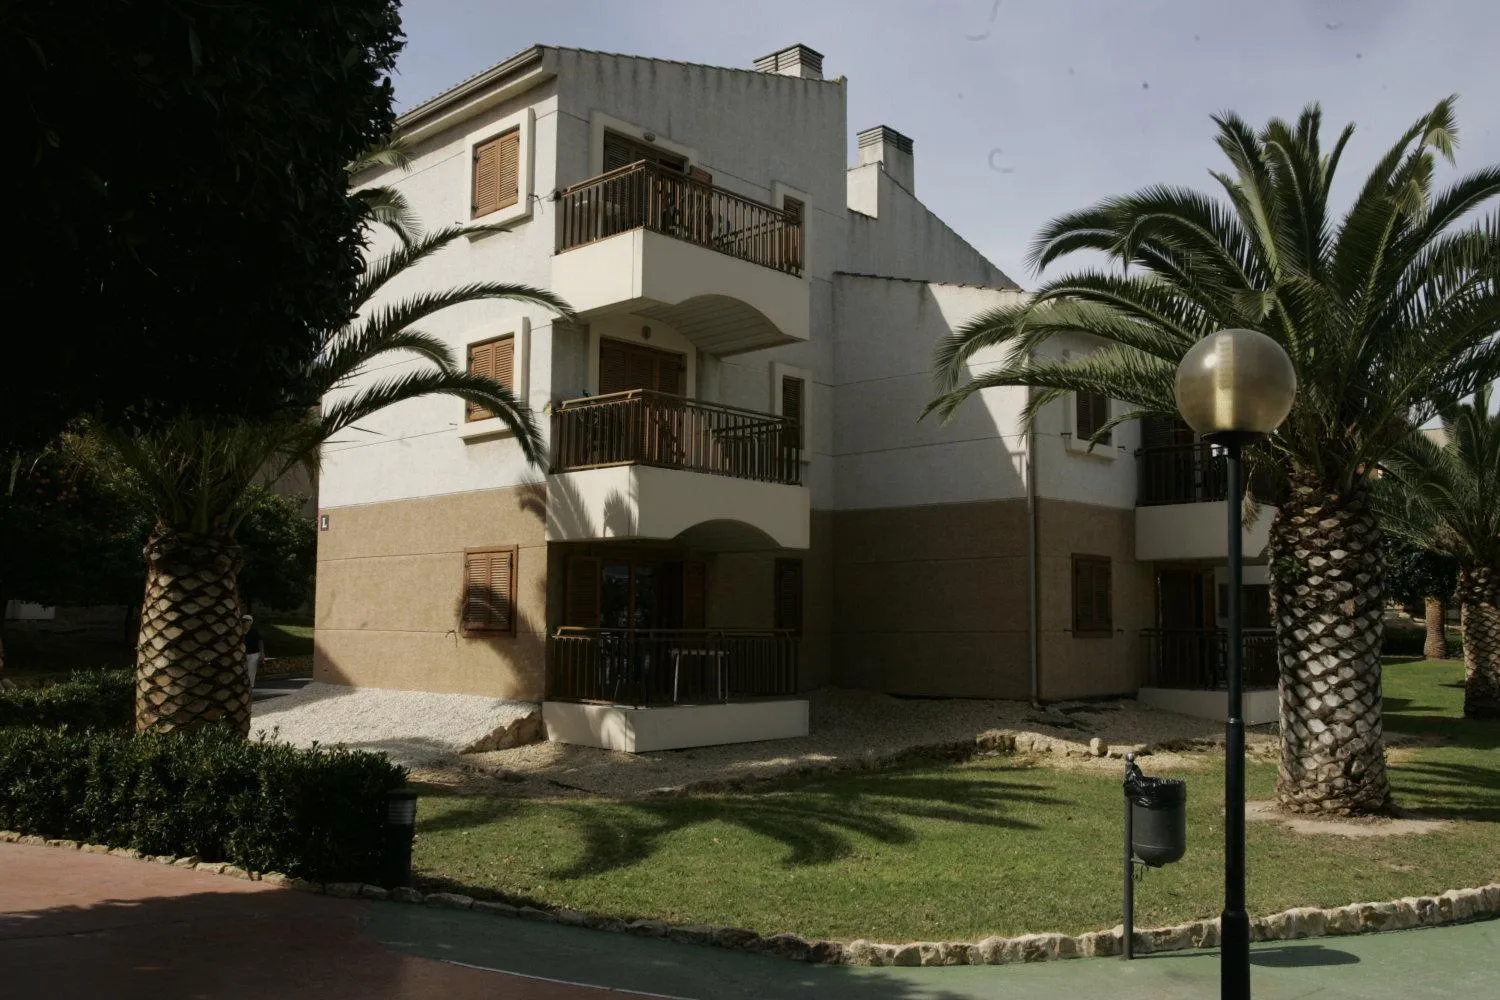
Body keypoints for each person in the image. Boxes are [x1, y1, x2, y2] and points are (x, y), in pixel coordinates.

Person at [243, 615, 264, 689]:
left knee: (251, 672)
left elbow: (260, 642)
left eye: (247, 620)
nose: (245, 622)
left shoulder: (254, 632)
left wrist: (262, 653)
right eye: (244, 620)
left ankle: (250, 687)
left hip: (253, 654)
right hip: (242, 655)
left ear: (251, 622)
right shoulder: (239, 631)